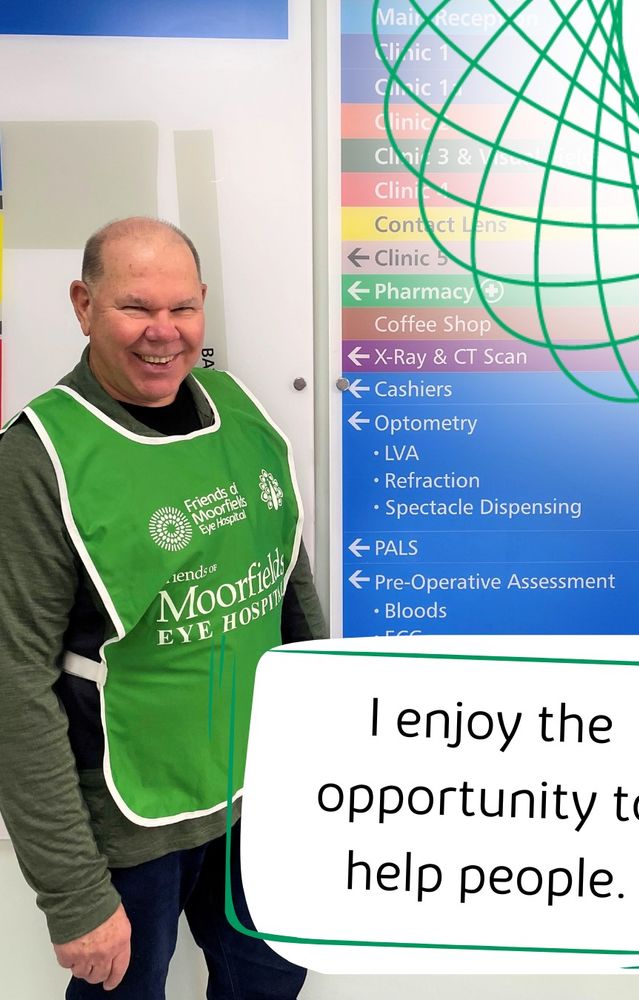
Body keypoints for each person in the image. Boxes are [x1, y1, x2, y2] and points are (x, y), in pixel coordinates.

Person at [0, 217, 327, 997]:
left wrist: (324, 764)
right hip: (131, 823)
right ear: (84, 305)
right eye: (135, 307)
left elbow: (286, 581)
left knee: (268, 983)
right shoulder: (38, 458)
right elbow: (13, 684)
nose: (163, 331)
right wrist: (74, 895)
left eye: (183, 308)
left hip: (259, 793)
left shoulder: (236, 409)